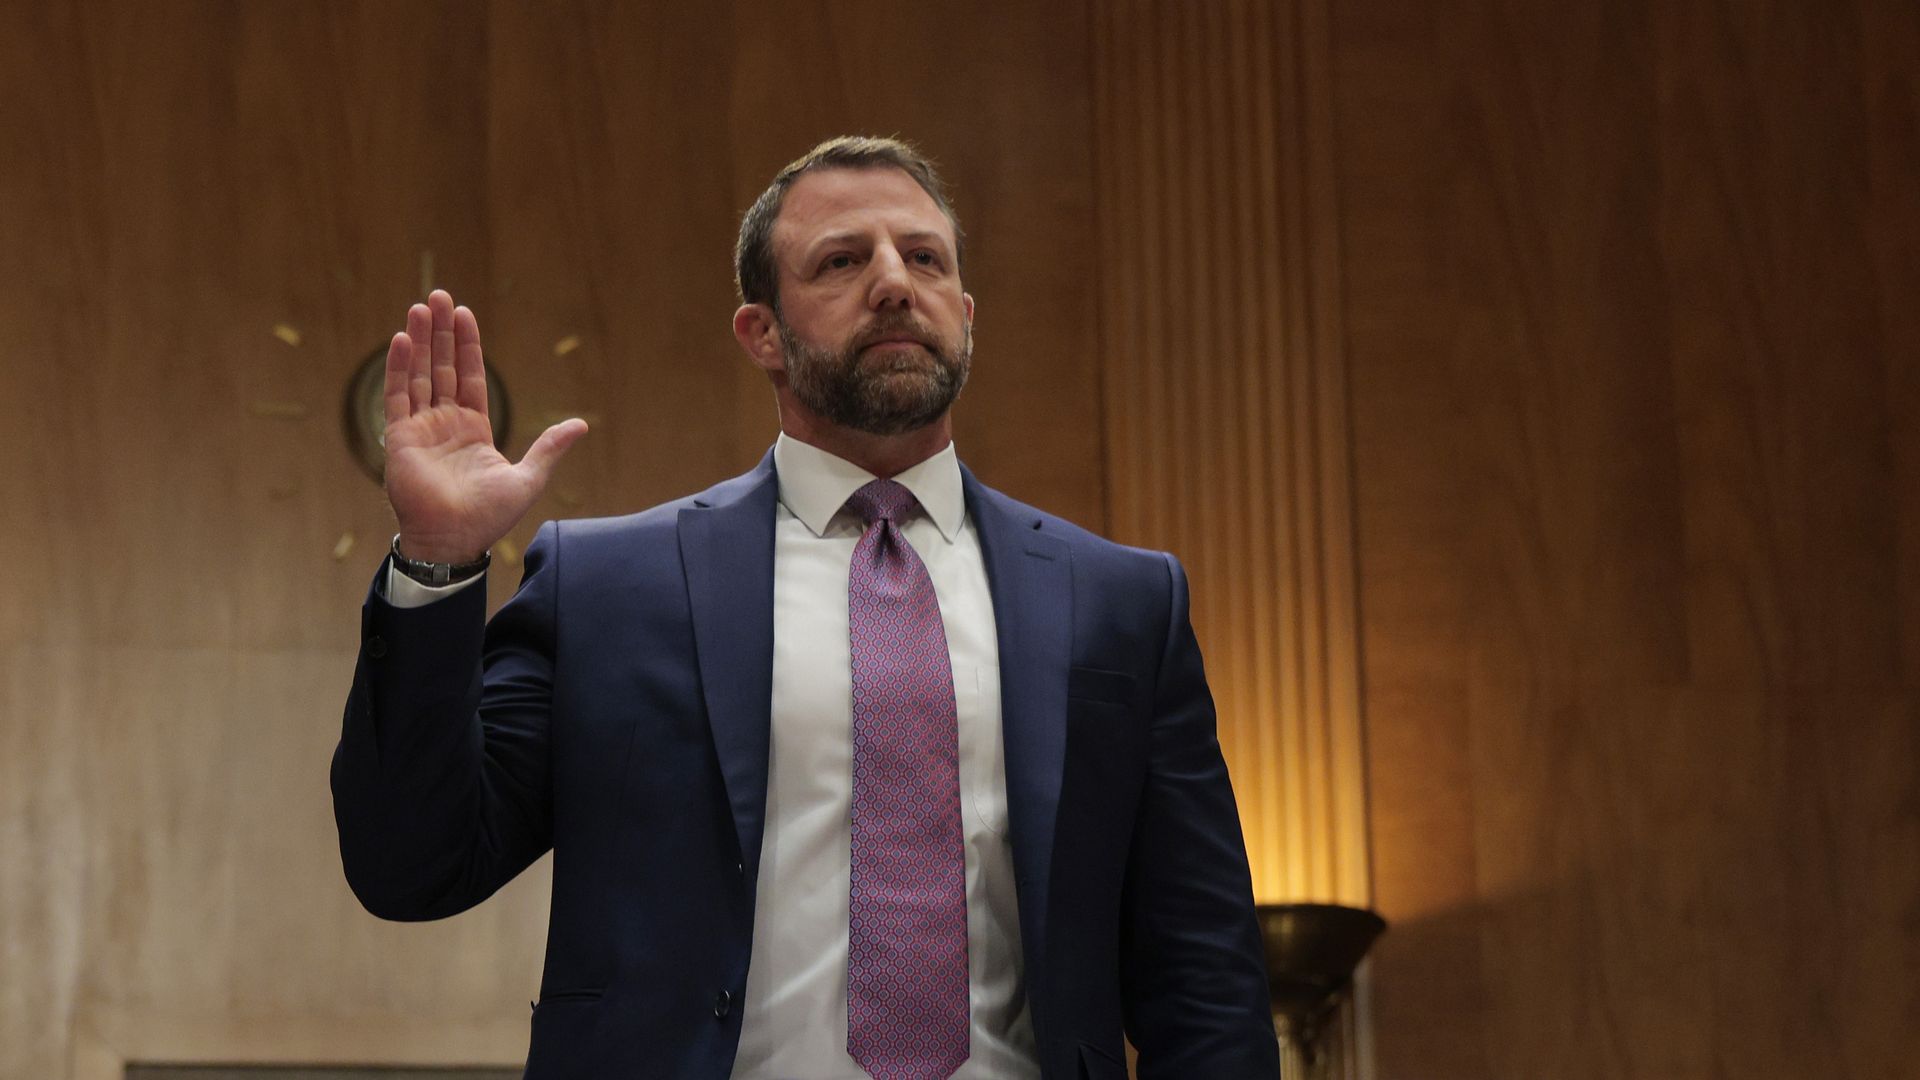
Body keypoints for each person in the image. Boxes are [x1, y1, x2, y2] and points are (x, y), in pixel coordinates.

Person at [332, 136, 1279, 1080]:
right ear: (764, 334)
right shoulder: (611, 589)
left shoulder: (1121, 600)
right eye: (840, 261)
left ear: (967, 314)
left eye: (924, 258)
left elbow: (1204, 977)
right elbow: (412, 865)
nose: (894, 283)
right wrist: (439, 564)